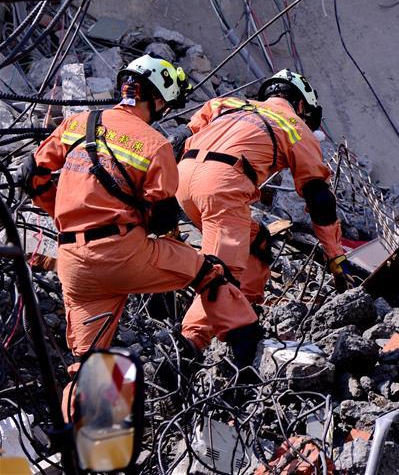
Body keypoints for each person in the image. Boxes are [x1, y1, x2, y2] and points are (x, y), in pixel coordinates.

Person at [16, 54, 260, 409]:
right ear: (158, 99)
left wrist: (66, 214)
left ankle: (83, 450)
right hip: (123, 254)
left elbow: (31, 177)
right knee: (210, 273)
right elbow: (161, 220)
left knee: (87, 364)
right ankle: (245, 360)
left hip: (74, 264)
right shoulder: (154, 143)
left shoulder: (76, 124)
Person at [175, 69, 348, 352]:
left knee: (257, 242)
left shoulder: (225, 104)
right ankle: (190, 344)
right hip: (222, 186)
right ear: (301, 106)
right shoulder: (294, 126)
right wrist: (335, 257)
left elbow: (177, 140)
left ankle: (245, 311)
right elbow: (319, 198)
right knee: (221, 273)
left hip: (183, 180)